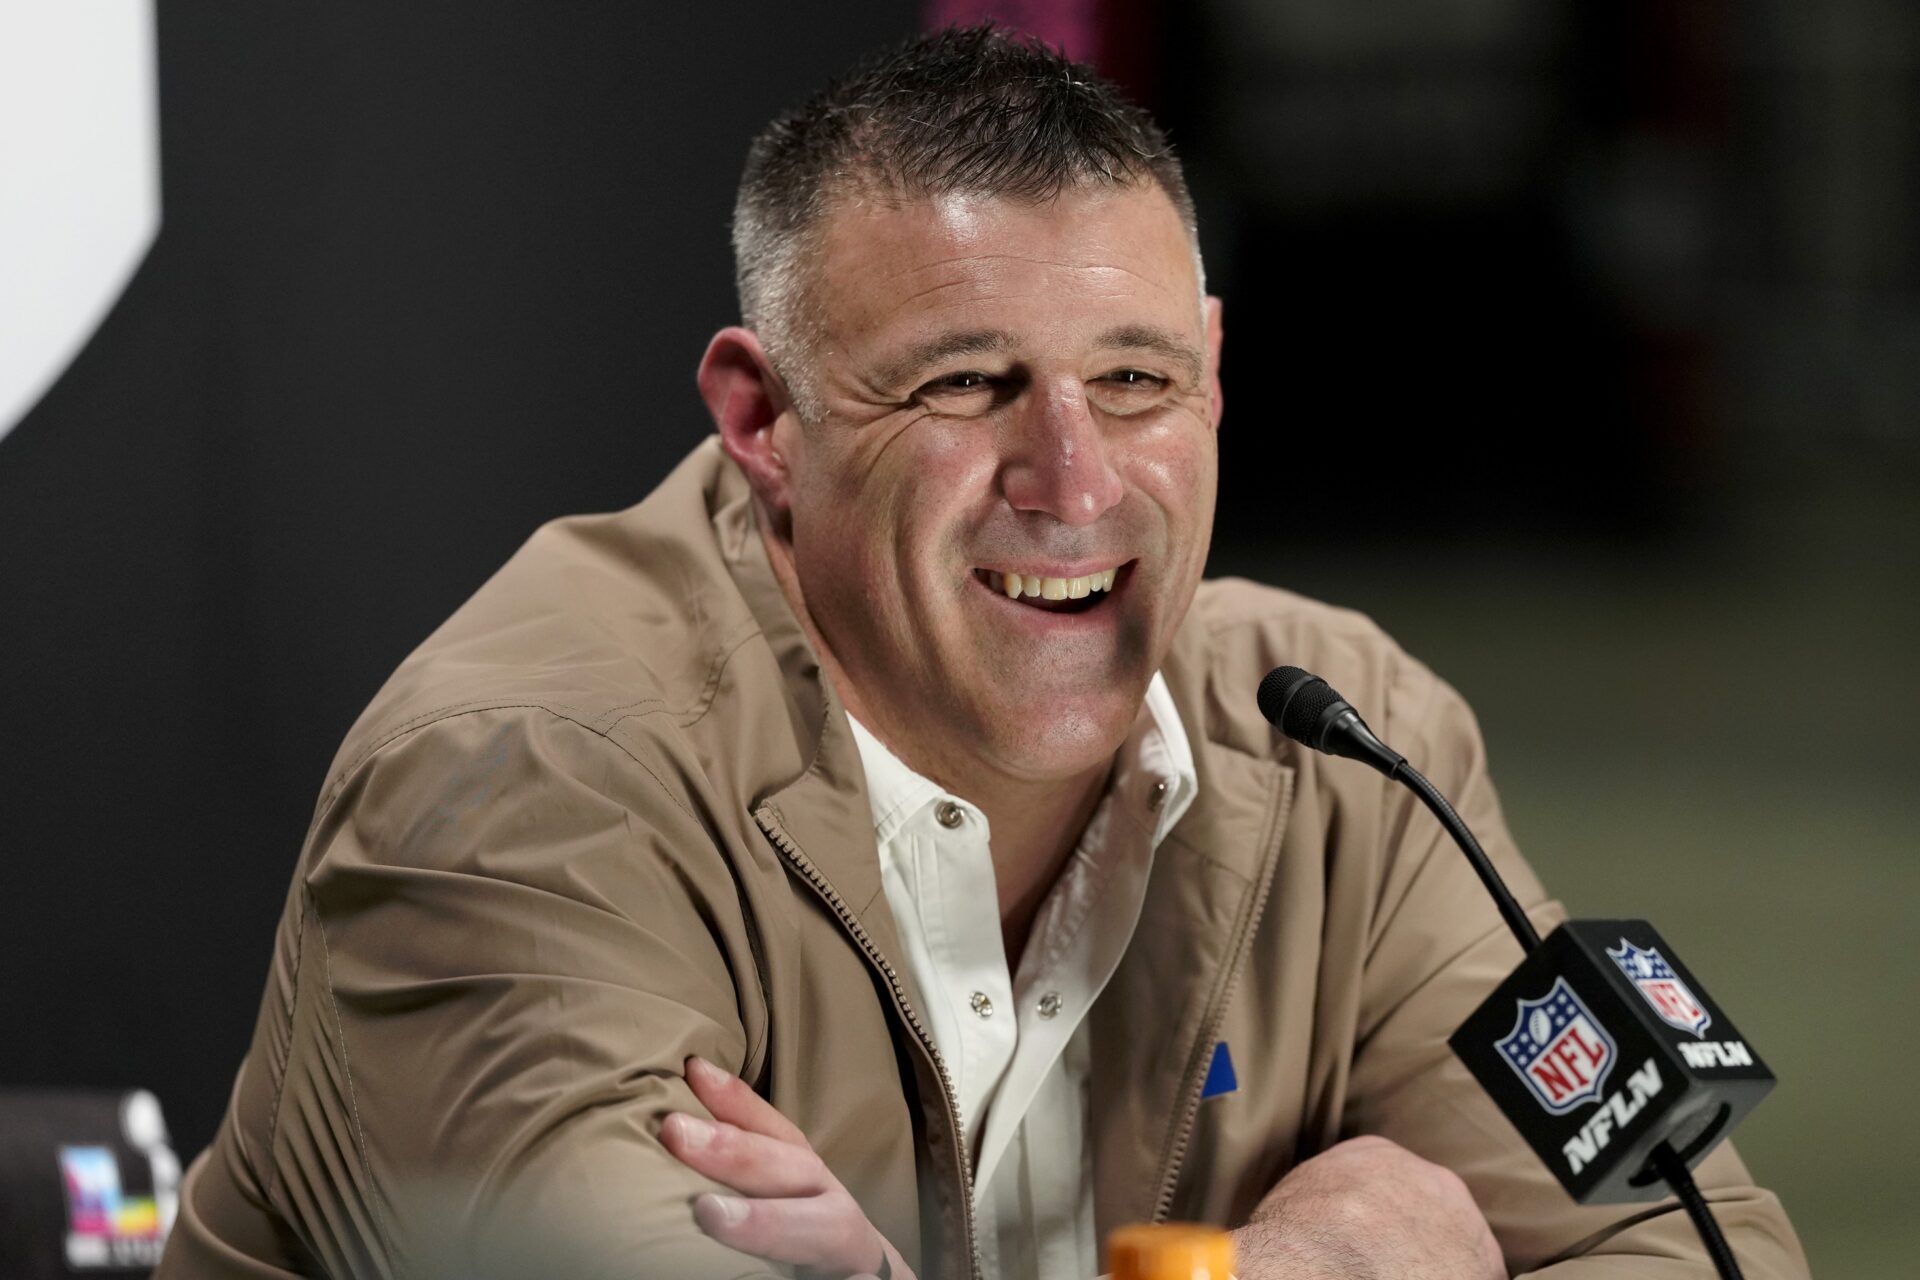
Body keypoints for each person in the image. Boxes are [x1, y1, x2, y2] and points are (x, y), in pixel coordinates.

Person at [156, 26, 1808, 1280]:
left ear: (1217, 375)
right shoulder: (527, 785)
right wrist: (1301, 1265)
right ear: (763, 421)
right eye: (963, 386)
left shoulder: (1342, 739)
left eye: (1140, 383)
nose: (1075, 485)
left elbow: (1692, 1248)